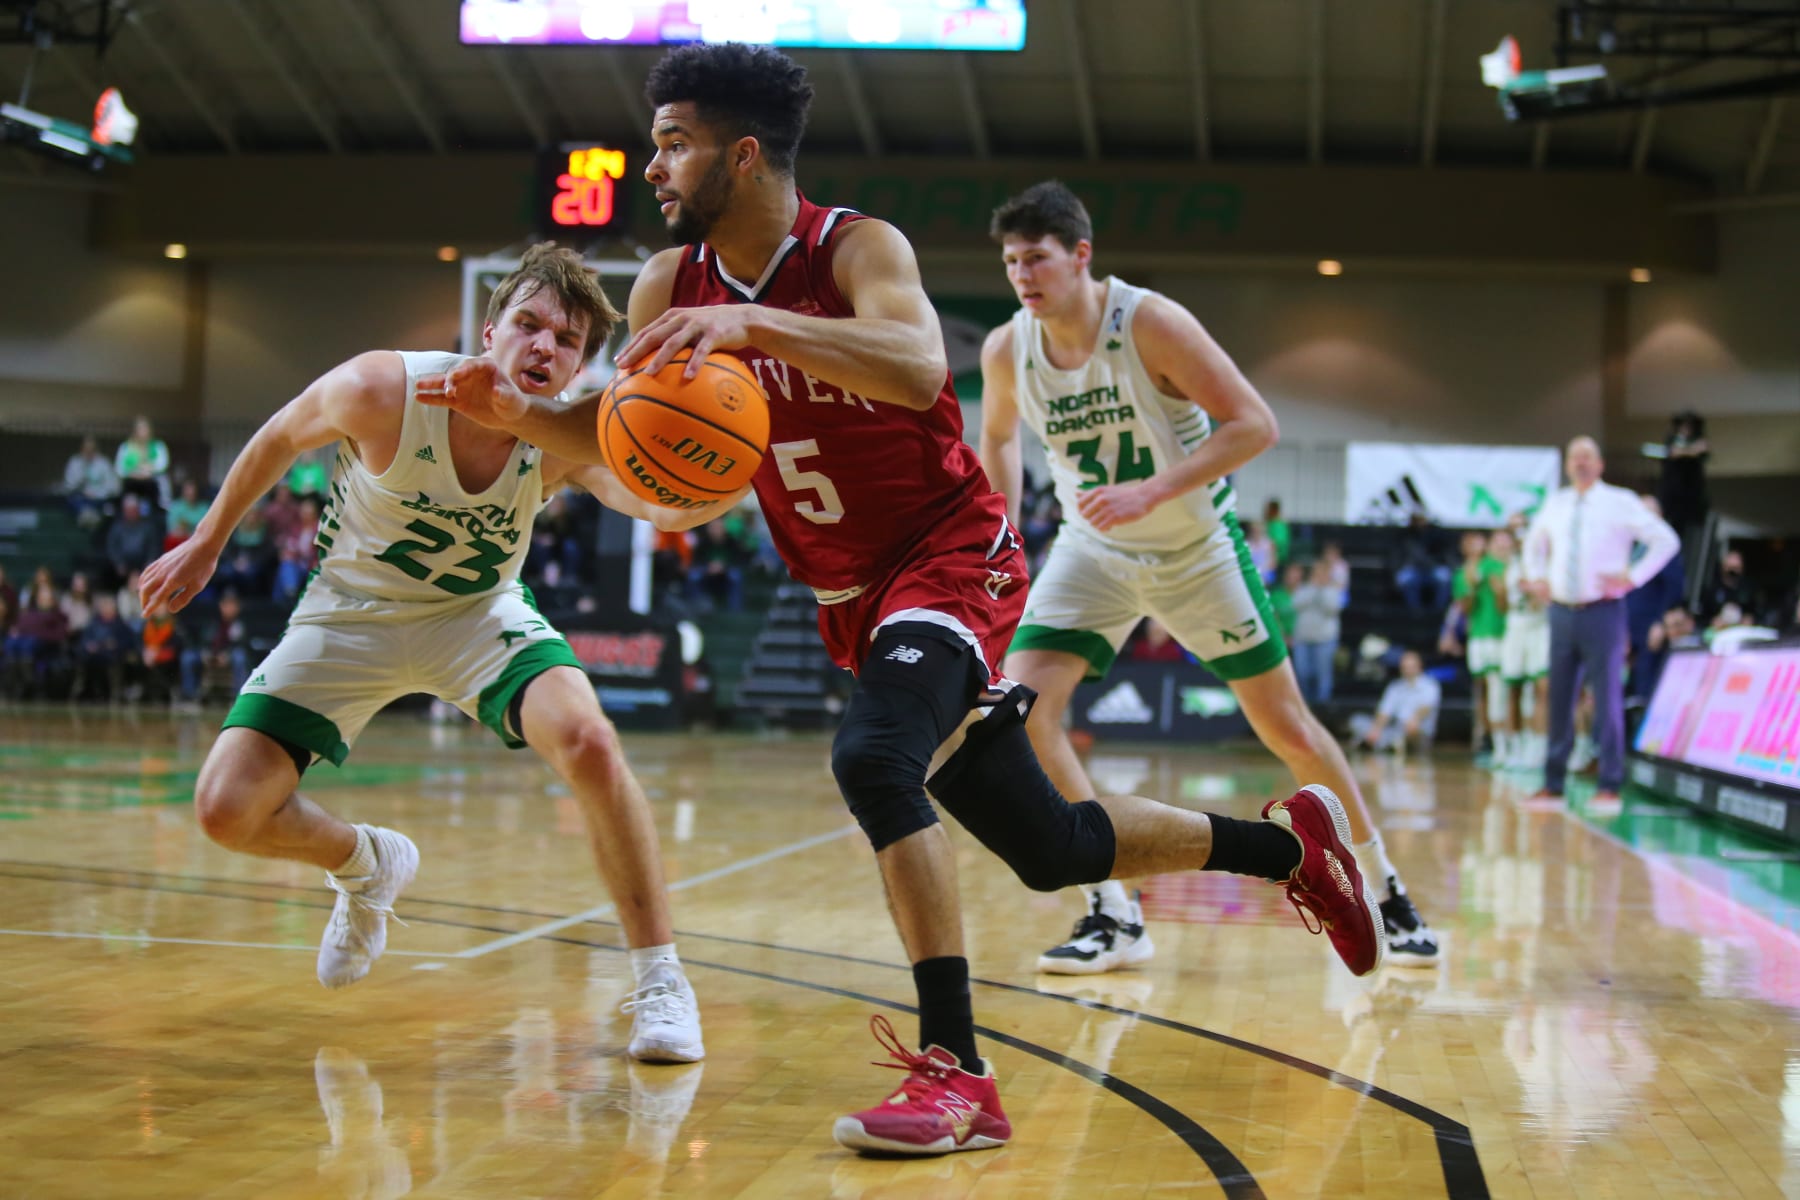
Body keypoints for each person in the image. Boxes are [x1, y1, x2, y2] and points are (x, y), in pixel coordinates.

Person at [424, 47, 1386, 1160]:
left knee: (873, 760)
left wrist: (758, 328)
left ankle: (959, 1074)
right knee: (1052, 844)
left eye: (673, 143)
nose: (653, 167)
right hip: (846, 594)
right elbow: (622, 444)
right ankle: (1289, 851)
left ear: (742, 154)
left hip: (951, 553)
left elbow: (920, 366)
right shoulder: (663, 288)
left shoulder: (854, 246)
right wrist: (503, 410)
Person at [136, 244, 706, 1065]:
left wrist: (722, 469)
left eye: (569, 340)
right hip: (349, 616)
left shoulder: (569, 432)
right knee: (225, 809)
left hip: (477, 616)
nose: (546, 347)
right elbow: (280, 434)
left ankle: (660, 978)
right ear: (490, 330)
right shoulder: (385, 388)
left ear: (581, 364)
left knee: (589, 741)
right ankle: (365, 863)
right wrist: (205, 541)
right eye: (530, 325)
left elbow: (663, 506)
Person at [977, 180, 1435, 988]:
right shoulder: (1007, 348)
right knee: (1024, 713)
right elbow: (1001, 439)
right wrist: (1003, 539)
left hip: (1195, 549)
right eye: (1011, 261)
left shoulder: (1146, 322)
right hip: (1093, 553)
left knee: (1288, 727)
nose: (1023, 274)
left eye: (1037, 258)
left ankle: (1384, 888)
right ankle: (1111, 911)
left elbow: (1255, 423)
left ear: (1081, 256)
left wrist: (1153, 490)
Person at [1522, 436, 1679, 806]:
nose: (1580, 463)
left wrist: (1634, 576)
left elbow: (1666, 541)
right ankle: (1553, 783)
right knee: (1558, 698)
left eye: (1587, 457)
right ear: (1566, 465)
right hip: (1561, 610)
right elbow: (1533, 544)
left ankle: (1609, 783)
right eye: (1574, 457)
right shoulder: (1556, 504)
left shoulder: (1619, 502)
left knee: (1607, 698)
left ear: (1600, 464)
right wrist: (1537, 574)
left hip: (1603, 610)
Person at [1496, 525, 1550, 770]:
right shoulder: (1511, 565)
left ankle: (1536, 747)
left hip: (1539, 625)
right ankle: (1514, 747)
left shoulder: (1546, 563)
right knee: (1513, 688)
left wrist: (1533, 592)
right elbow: (1503, 604)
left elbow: (1544, 599)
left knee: (1542, 688)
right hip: (1515, 625)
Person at [1625, 495, 1685, 703]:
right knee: (1623, 690)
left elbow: (1674, 588)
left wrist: (1660, 623)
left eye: (1648, 513)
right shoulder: (1631, 547)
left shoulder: (1666, 547)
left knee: (1646, 687)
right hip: (1627, 628)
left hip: (1651, 627)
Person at [1452, 530, 1504, 754]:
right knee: (1481, 688)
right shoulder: (1461, 574)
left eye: (1477, 541)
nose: (1473, 546)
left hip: (1499, 633)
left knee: (1499, 687)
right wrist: (1471, 586)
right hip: (1478, 636)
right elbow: (1466, 609)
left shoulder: (1494, 565)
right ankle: (1486, 736)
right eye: (1468, 543)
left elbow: (1504, 602)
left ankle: (1503, 741)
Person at [1350, 651, 1441, 754]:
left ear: (1419, 667)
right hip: (1396, 728)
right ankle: (1387, 744)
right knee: (1357, 721)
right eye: (1405, 667)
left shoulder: (1430, 686)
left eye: (1411, 667)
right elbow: (1384, 711)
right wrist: (1376, 729)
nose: (1408, 670)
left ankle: (1379, 744)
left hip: (1417, 731)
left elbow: (1426, 708)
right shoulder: (1395, 687)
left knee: (1410, 733)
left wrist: (1415, 720)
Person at [1290, 558, 1345, 705]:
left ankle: (1323, 707)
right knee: (1303, 673)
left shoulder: (1333, 590)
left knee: (1323, 676)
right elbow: (1296, 604)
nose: (1320, 576)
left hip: (1325, 639)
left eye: (1323, 573)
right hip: (1303, 638)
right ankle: (1305, 704)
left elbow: (1331, 608)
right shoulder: (1304, 588)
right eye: (1317, 573)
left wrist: (1323, 589)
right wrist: (1314, 588)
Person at [180, 589, 251, 702]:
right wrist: (206, 653)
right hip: (210, 654)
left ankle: (239, 696)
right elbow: (202, 641)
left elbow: (241, 645)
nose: (229, 608)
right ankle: (189, 695)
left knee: (239, 657)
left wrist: (226, 655)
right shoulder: (212, 622)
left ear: (238, 608)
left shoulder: (240, 625)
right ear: (221, 606)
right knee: (188, 657)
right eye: (226, 604)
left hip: (228, 656)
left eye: (232, 605)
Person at [73, 592, 134, 702]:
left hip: (112, 655)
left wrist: (116, 644)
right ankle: (85, 690)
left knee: (114, 662)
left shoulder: (121, 625)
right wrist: (89, 645)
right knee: (83, 658)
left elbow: (128, 642)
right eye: (104, 606)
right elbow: (84, 640)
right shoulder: (93, 623)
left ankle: (114, 693)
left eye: (109, 606)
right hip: (94, 655)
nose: (107, 609)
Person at [115, 416, 171, 512]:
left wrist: (148, 471)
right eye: (140, 429)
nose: (143, 432)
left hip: (151, 482)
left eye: (145, 429)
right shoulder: (126, 447)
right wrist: (134, 473)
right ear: (135, 431)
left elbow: (162, 465)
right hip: (131, 482)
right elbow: (119, 469)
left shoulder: (158, 446)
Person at [63, 435, 120, 528]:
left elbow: (113, 487)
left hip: (99, 499)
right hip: (80, 499)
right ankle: (89, 516)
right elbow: (69, 486)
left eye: (92, 450)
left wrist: (97, 493)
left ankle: (89, 517)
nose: (88, 453)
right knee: (73, 500)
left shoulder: (103, 463)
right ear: (81, 449)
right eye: (86, 449)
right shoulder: (75, 462)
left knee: (109, 506)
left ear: (96, 450)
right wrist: (81, 479)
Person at [106, 494, 163, 587]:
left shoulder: (148, 527)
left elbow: (153, 547)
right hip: (123, 564)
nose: (131, 513)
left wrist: (149, 563)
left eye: (133, 510)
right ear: (124, 511)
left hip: (143, 563)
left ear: (138, 510)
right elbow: (112, 547)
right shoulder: (117, 527)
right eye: (128, 510)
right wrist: (118, 562)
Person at [1262, 498, 1291, 567]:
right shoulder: (1270, 523)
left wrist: (1274, 557)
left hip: (1277, 560)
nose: (1265, 511)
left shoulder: (1278, 524)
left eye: (1267, 509)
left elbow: (1278, 543)